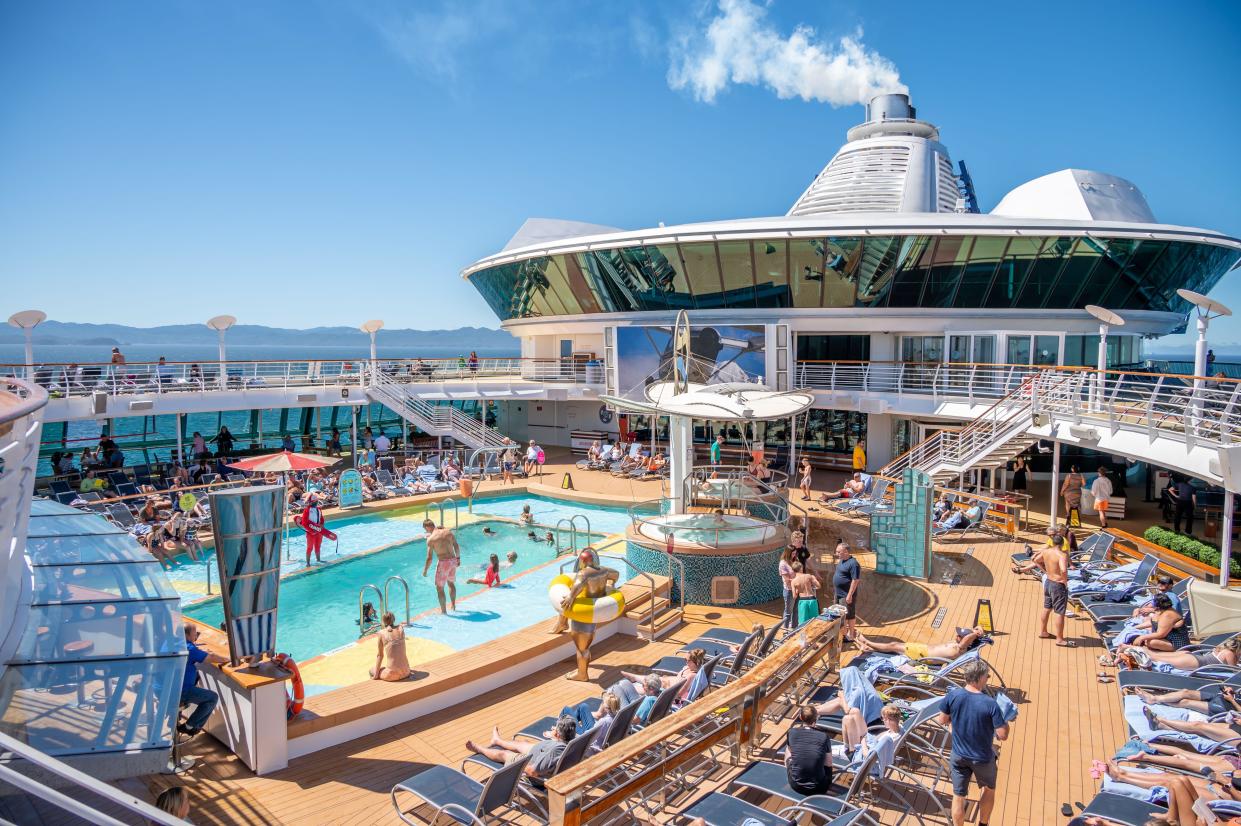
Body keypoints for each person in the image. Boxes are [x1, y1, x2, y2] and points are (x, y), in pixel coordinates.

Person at [937, 659, 1010, 826]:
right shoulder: (990, 704)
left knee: (958, 796)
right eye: (986, 676)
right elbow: (1002, 735)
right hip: (982, 758)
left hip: (958, 756)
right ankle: (983, 824)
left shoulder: (953, 695)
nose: (987, 679)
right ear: (978, 678)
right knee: (989, 789)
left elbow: (942, 720)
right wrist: (1006, 722)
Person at [465, 716, 576, 788]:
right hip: (542, 753)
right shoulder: (571, 742)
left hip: (533, 769)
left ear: (557, 734)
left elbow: (533, 772)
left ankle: (479, 748)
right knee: (523, 743)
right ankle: (497, 740)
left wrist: (521, 768)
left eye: (554, 730)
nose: (553, 730)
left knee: (503, 754)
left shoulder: (553, 751)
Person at [180, 624, 228, 737]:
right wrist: (228, 659)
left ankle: (174, 717)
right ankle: (190, 726)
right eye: (194, 633)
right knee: (212, 698)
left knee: (196, 675)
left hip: (161, 691)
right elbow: (210, 658)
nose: (196, 635)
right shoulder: (189, 649)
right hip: (179, 692)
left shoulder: (170, 643)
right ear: (187, 635)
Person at [855, 626, 988, 661]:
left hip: (922, 655)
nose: (957, 635)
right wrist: (978, 631)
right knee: (895, 646)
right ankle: (869, 648)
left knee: (894, 646)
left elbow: (966, 640)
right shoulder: (958, 645)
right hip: (922, 650)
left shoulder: (960, 648)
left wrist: (975, 634)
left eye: (960, 635)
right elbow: (979, 627)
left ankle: (867, 642)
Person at [1113, 594, 1189, 654]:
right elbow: (1152, 622)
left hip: (1177, 643)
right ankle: (1126, 646)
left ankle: (1146, 651)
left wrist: (1142, 637)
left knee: (1150, 642)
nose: (1151, 604)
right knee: (1136, 632)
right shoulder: (1160, 611)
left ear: (1158, 605)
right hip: (1166, 639)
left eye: (1153, 603)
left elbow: (1161, 634)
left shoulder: (1168, 615)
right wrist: (1136, 627)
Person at [785, 704, 833, 795]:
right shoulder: (824, 736)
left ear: (800, 717)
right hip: (820, 787)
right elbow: (829, 763)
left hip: (796, 785)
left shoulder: (792, 732)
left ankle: (793, 770)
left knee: (789, 749)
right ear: (816, 718)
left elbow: (791, 752)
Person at [1037, 534, 1073, 647]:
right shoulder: (1062, 555)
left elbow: (1035, 560)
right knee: (1060, 612)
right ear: (1062, 544)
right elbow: (1063, 569)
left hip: (1048, 581)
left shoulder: (1046, 551)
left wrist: (1045, 571)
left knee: (1047, 608)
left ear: (1052, 543)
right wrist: (1065, 581)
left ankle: (1043, 631)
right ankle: (1059, 639)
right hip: (1058, 584)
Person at [422, 518, 460, 613]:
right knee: (451, 583)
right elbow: (456, 545)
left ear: (427, 527)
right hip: (453, 561)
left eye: (425, 529)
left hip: (444, 563)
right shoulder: (448, 532)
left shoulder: (431, 539)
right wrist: (458, 558)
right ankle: (453, 605)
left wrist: (425, 570)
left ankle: (444, 612)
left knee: (440, 588)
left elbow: (429, 558)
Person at [369, 611, 411, 681]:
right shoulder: (401, 629)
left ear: (383, 621)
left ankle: (376, 674)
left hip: (392, 675)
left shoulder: (381, 633)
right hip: (406, 672)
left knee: (372, 670)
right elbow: (396, 627)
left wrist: (376, 675)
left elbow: (380, 655)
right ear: (394, 619)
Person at [832, 541, 860, 641]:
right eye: (837, 551)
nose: (837, 554)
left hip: (846, 595)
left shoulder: (854, 564)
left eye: (839, 552)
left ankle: (851, 635)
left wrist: (849, 595)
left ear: (846, 551)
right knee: (840, 615)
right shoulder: (842, 560)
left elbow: (855, 580)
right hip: (838, 593)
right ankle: (843, 634)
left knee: (849, 615)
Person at [298, 493, 327, 564]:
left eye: (316, 501)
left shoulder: (319, 509)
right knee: (310, 547)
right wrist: (311, 530)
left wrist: (322, 526)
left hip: (319, 531)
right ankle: (308, 563)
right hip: (310, 532)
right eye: (314, 501)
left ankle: (318, 560)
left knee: (318, 546)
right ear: (311, 502)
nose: (316, 502)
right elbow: (304, 523)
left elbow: (322, 519)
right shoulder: (307, 510)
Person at [791, 562, 821, 626]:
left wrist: (797, 590)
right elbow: (818, 586)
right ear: (801, 568)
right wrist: (812, 585)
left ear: (793, 570)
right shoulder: (809, 576)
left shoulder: (793, 581)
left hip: (803, 601)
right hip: (812, 600)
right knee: (815, 621)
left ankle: (804, 636)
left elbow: (794, 596)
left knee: (803, 624)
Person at [778, 546, 797, 630]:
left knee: (796, 611)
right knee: (788, 612)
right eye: (793, 553)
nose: (794, 555)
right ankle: (785, 630)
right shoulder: (783, 563)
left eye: (795, 553)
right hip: (789, 591)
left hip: (796, 589)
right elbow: (787, 580)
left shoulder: (794, 560)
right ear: (788, 553)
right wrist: (799, 580)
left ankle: (794, 628)